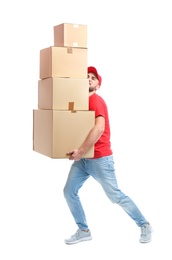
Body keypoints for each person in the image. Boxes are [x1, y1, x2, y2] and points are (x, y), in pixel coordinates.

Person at [63, 66, 152, 245]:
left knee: (115, 196)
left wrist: (80, 151)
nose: (89, 79)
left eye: (93, 78)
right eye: (86, 76)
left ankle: (144, 224)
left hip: (100, 159)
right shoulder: (80, 103)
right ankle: (83, 230)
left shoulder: (96, 101)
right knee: (69, 192)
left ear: (97, 86)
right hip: (84, 159)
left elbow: (99, 128)